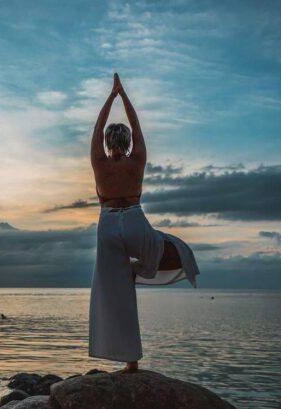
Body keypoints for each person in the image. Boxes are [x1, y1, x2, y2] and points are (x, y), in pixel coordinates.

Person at [88, 73, 199, 373]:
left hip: (108, 224)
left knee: (115, 292)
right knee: (160, 248)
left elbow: (97, 130)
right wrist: (124, 95)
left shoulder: (99, 163)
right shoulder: (137, 160)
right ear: (126, 142)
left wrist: (110, 97)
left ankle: (129, 359)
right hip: (135, 220)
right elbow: (136, 128)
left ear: (109, 143)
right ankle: (143, 270)